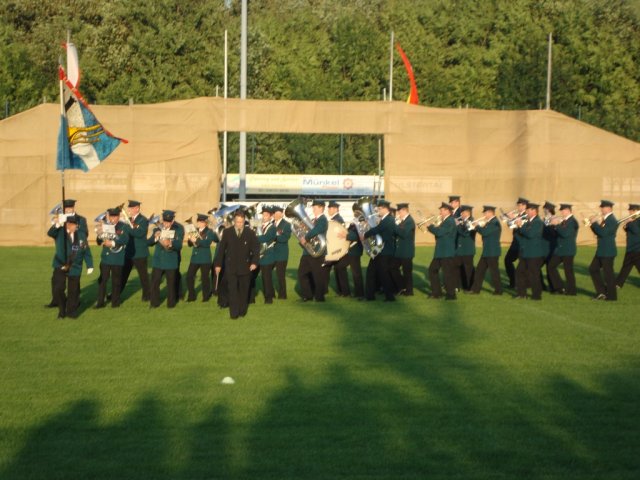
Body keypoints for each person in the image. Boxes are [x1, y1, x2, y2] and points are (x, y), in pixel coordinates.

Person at [214, 210, 260, 318]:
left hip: (245, 267)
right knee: (232, 291)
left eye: (241, 222)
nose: (239, 224)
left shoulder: (250, 233)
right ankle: (233, 314)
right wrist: (218, 265)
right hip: (231, 267)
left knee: (244, 291)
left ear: (244, 221)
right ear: (234, 221)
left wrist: (254, 262)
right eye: (237, 222)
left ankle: (242, 311)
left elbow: (256, 249)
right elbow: (221, 250)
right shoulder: (227, 232)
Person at [47, 214, 93, 319]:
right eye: (70, 224)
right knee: (58, 289)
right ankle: (62, 310)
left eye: (74, 224)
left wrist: (89, 265)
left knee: (73, 291)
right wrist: (57, 224)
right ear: (67, 224)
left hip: (75, 266)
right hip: (60, 265)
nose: (72, 226)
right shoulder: (60, 232)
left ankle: (71, 312)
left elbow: (86, 250)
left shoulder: (81, 235)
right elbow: (50, 233)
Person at [45, 198, 88, 309]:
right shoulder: (61, 219)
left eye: (70, 207)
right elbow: (51, 233)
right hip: (61, 256)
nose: (68, 210)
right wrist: (59, 223)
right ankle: (56, 300)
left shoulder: (81, 219)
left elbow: (84, 234)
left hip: (74, 255)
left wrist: (72, 228)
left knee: (74, 282)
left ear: (73, 207)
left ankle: (75, 301)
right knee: (56, 281)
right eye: (66, 208)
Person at [148, 210, 184, 308]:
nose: (166, 224)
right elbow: (149, 242)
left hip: (171, 261)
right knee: (155, 283)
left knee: (171, 284)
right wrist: (155, 237)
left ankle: (171, 304)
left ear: (172, 221)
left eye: (168, 222)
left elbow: (179, 245)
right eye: (165, 221)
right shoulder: (157, 229)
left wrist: (171, 243)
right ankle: (154, 303)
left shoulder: (178, 229)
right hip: (158, 261)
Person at [95, 207, 130, 308]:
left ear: (118, 216)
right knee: (102, 280)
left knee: (116, 281)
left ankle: (115, 302)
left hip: (117, 258)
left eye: (115, 216)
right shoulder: (105, 225)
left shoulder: (124, 226)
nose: (113, 218)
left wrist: (112, 243)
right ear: (109, 217)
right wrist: (100, 234)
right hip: (106, 258)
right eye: (111, 216)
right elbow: (98, 242)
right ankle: (100, 302)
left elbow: (125, 239)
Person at [363, 199, 397, 301]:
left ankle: (389, 297)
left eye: (379, 209)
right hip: (379, 250)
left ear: (385, 209)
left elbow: (377, 229)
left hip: (384, 251)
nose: (378, 211)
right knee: (371, 272)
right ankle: (370, 296)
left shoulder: (389, 219)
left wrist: (364, 234)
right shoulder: (385, 219)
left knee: (383, 274)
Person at [297, 199, 328, 302]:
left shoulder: (323, 219)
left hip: (318, 251)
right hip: (308, 251)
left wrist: (306, 237)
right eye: (313, 207)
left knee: (317, 275)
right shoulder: (313, 220)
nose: (313, 209)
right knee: (301, 273)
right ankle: (307, 295)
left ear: (321, 208)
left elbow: (317, 230)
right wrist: (303, 228)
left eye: (315, 207)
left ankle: (319, 297)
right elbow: (311, 230)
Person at [120, 200, 150, 301]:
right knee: (123, 276)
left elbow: (139, 233)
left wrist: (127, 226)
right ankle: (116, 294)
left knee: (143, 277)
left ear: (137, 208)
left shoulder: (143, 220)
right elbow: (125, 233)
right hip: (129, 252)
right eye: (129, 208)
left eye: (132, 208)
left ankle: (147, 296)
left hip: (140, 253)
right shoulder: (128, 220)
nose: (129, 210)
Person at [514, 202, 545, 300]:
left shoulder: (538, 222)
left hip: (534, 253)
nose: (526, 212)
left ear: (534, 211)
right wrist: (516, 229)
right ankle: (521, 294)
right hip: (525, 252)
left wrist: (521, 226)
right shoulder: (528, 222)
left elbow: (530, 234)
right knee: (519, 272)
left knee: (533, 275)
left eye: (528, 210)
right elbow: (522, 236)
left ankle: (536, 295)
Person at [589, 200, 618, 301]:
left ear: (609, 208)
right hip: (601, 251)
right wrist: (592, 224)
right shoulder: (605, 219)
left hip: (607, 251)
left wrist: (594, 223)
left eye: (603, 207)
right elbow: (599, 232)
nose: (601, 209)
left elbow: (603, 233)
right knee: (593, 269)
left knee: (608, 274)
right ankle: (601, 292)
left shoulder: (611, 220)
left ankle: (612, 296)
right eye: (601, 207)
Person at [427, 202, 457, 299]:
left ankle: (451, 295)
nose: (440, 212)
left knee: (447, 274)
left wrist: (430, 226)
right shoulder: (445, 221)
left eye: (442, 210)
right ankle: (437, 293)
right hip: (440, 252)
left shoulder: (450, 221)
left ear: (447, 211)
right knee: (432, 270)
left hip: (446, 252)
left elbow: (439, 232)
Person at [469, 206, 502, 295]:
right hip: (487, 251)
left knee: (494, 272)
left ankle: (498, 290)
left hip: (492, 252)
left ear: (491, 212)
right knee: (479, 271)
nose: (484, 214)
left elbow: (485, 232)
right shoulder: (490, 222)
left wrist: (476, 226)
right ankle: (475, 290)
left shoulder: (495, 222)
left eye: (485, 212)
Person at [547, 203, 579, 295]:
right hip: (560, 250)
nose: (561, 212)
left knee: (568, 271)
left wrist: (557, 225)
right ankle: (559, 287)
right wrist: (552, 226)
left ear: (568, 210)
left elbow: (565, 234)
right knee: (551, 266)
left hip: (568, 250)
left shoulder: (572, 221)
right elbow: (558, 234)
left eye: (563, 210)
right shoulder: (565, 221)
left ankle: (572, 291)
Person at [186, 213, 217, 302]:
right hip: (195, 258)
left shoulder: (210, 232)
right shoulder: (194, 230)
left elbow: (207, 243)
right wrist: (190, 240)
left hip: (205, 258)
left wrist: (197, 240)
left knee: (205, 278)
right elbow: (189, 245)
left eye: (201, 221)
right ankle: (191, 296)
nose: (199, 223)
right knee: (189, 276)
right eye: (198, 221)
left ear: (205, 223)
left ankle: (206, 296)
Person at [326, 200, 350, 297]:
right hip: (337, 248)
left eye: (330, 208)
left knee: (340, 270)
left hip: (339, 248)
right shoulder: (335, 219)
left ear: (335, 209)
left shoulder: (337, 220)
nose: (328, 210)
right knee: (338, 270)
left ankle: (345, 292)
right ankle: (341, 291)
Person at [390, 202, 415, 295]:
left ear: (404, 210)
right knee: (393, 267)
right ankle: (401, 286)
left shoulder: (410, 221)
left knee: (407, 272)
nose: (398, 213)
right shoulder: (403, 221)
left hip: (406, 251)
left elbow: (403, 234)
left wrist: (394, 225)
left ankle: (409, 291)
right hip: (400, 251)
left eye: (399, 211)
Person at [504, 197, 529, 288]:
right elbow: (511, 226)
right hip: (515, 243)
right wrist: (509, 219)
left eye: (520, 205)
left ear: (525, 206)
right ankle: (513, 281)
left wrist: (514, 218)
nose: (518, 207)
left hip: (522, 244)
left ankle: (524, 283)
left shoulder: (527, 215)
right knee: (507, 260)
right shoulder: (518, 215)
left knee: (523, 265)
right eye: (518, 205)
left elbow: (523, 226)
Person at [256, 206, 277, 304]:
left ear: (270, 216)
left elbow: (267, 237)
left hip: (268, 256)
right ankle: (271, 294)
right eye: (263, 215)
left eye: (266, 215)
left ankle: (268, 299)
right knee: (263, 277)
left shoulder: (272, 227)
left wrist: (254, 238)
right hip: (260, 255)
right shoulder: (260, 225)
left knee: (266, 278)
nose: (264, 217)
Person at [616, 203, 640, 289]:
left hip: (637, 249)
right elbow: (627, 230)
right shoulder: (634, 219)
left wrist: (630, 222)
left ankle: (618, 284)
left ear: (635, 211)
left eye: (630, 210)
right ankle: (618, 284)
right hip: (631, 248)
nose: (629, 212)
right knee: (626, 267)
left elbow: (637, 231)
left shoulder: (638, 220)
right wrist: (626, 224)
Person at [453, 205, 476, 291]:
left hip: (467, 250)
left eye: (463, 212)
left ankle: (469, 287)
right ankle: (456, 286)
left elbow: (465, 233)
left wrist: (457, 225)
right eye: (461, 212)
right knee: (456, 268)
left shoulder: (472, 221)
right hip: (459, 250)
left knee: (468, 270)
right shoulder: (462, 221)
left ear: (468, 213)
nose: (461, 214)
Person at [345, 206, 365, 298]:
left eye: (357, 211)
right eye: (354, 211)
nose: (355, 213)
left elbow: (357, 236)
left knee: (356, 273)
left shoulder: (361, 222)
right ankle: (346, 291)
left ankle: (359, 293)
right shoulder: (354, 222)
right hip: (350, 250)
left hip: (355, 250)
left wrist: (346, 236)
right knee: (342, 267)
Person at [272, 206, 291, 299]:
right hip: (271, 253)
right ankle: (271, 293)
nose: (275, 215)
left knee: (280, 275)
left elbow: (285, 238)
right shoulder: (271, 224)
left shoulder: (286, 224)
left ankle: (282, 295)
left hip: (281, 254)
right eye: (274, 213)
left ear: (282, 214)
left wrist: (274, 237)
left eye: (277, 213)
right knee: (267, 273)